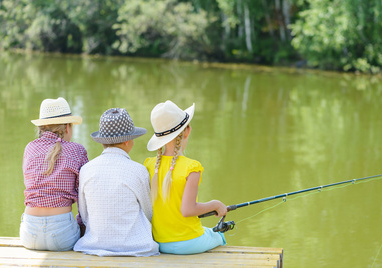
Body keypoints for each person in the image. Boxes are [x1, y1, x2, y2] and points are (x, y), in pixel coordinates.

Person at [144, 100, 227, 255]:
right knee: (219, 235)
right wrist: (215, 204)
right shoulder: (191, 167)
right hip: (188, 242)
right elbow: (188, 210)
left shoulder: (149, 165)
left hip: (159, 242)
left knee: (208, 232)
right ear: (187, 130)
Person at [73, 108, 159, 257]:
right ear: (127, 141)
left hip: (93, 246)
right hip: (136, 248)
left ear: (102, 141)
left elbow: (85, 215)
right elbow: (148, 213)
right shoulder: (139, 170)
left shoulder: (86, 170)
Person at [20, 97, 88, 251]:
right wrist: (82, 225)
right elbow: (84, 195)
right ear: (68, 128)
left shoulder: (29, 149)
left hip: (29, 234)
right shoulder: (77, 150)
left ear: (41, 128)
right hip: (63, 234)